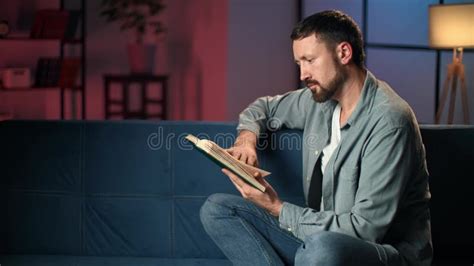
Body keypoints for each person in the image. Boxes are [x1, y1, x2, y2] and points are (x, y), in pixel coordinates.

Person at [200, 10, 432, 266]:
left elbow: (365, 230)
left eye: (309, 60)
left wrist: (276, 208)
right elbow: (263, 108)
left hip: (382, 253)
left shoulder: (389, 120)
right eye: (299, 63)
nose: (302, 74)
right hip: (319, 245)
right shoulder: (319, 100)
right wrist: (246, 139)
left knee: (320, 249)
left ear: (344, 53)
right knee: (218, 209)